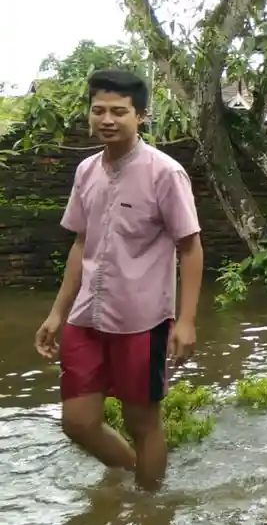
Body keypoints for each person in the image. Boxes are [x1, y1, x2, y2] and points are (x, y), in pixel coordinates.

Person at [33, 69, 203, 490]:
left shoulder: (165, 173)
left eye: (119, 111)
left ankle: (149, 507)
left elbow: (191, 248)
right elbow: (80, 244)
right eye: (99, 110)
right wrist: (57, 312)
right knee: (77, 422)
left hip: (142, 319)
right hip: (86, 315)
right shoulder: (87, 171)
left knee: (142, 421)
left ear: (140, 116)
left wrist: (185, 321)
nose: (107, 119)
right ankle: (132, 477)